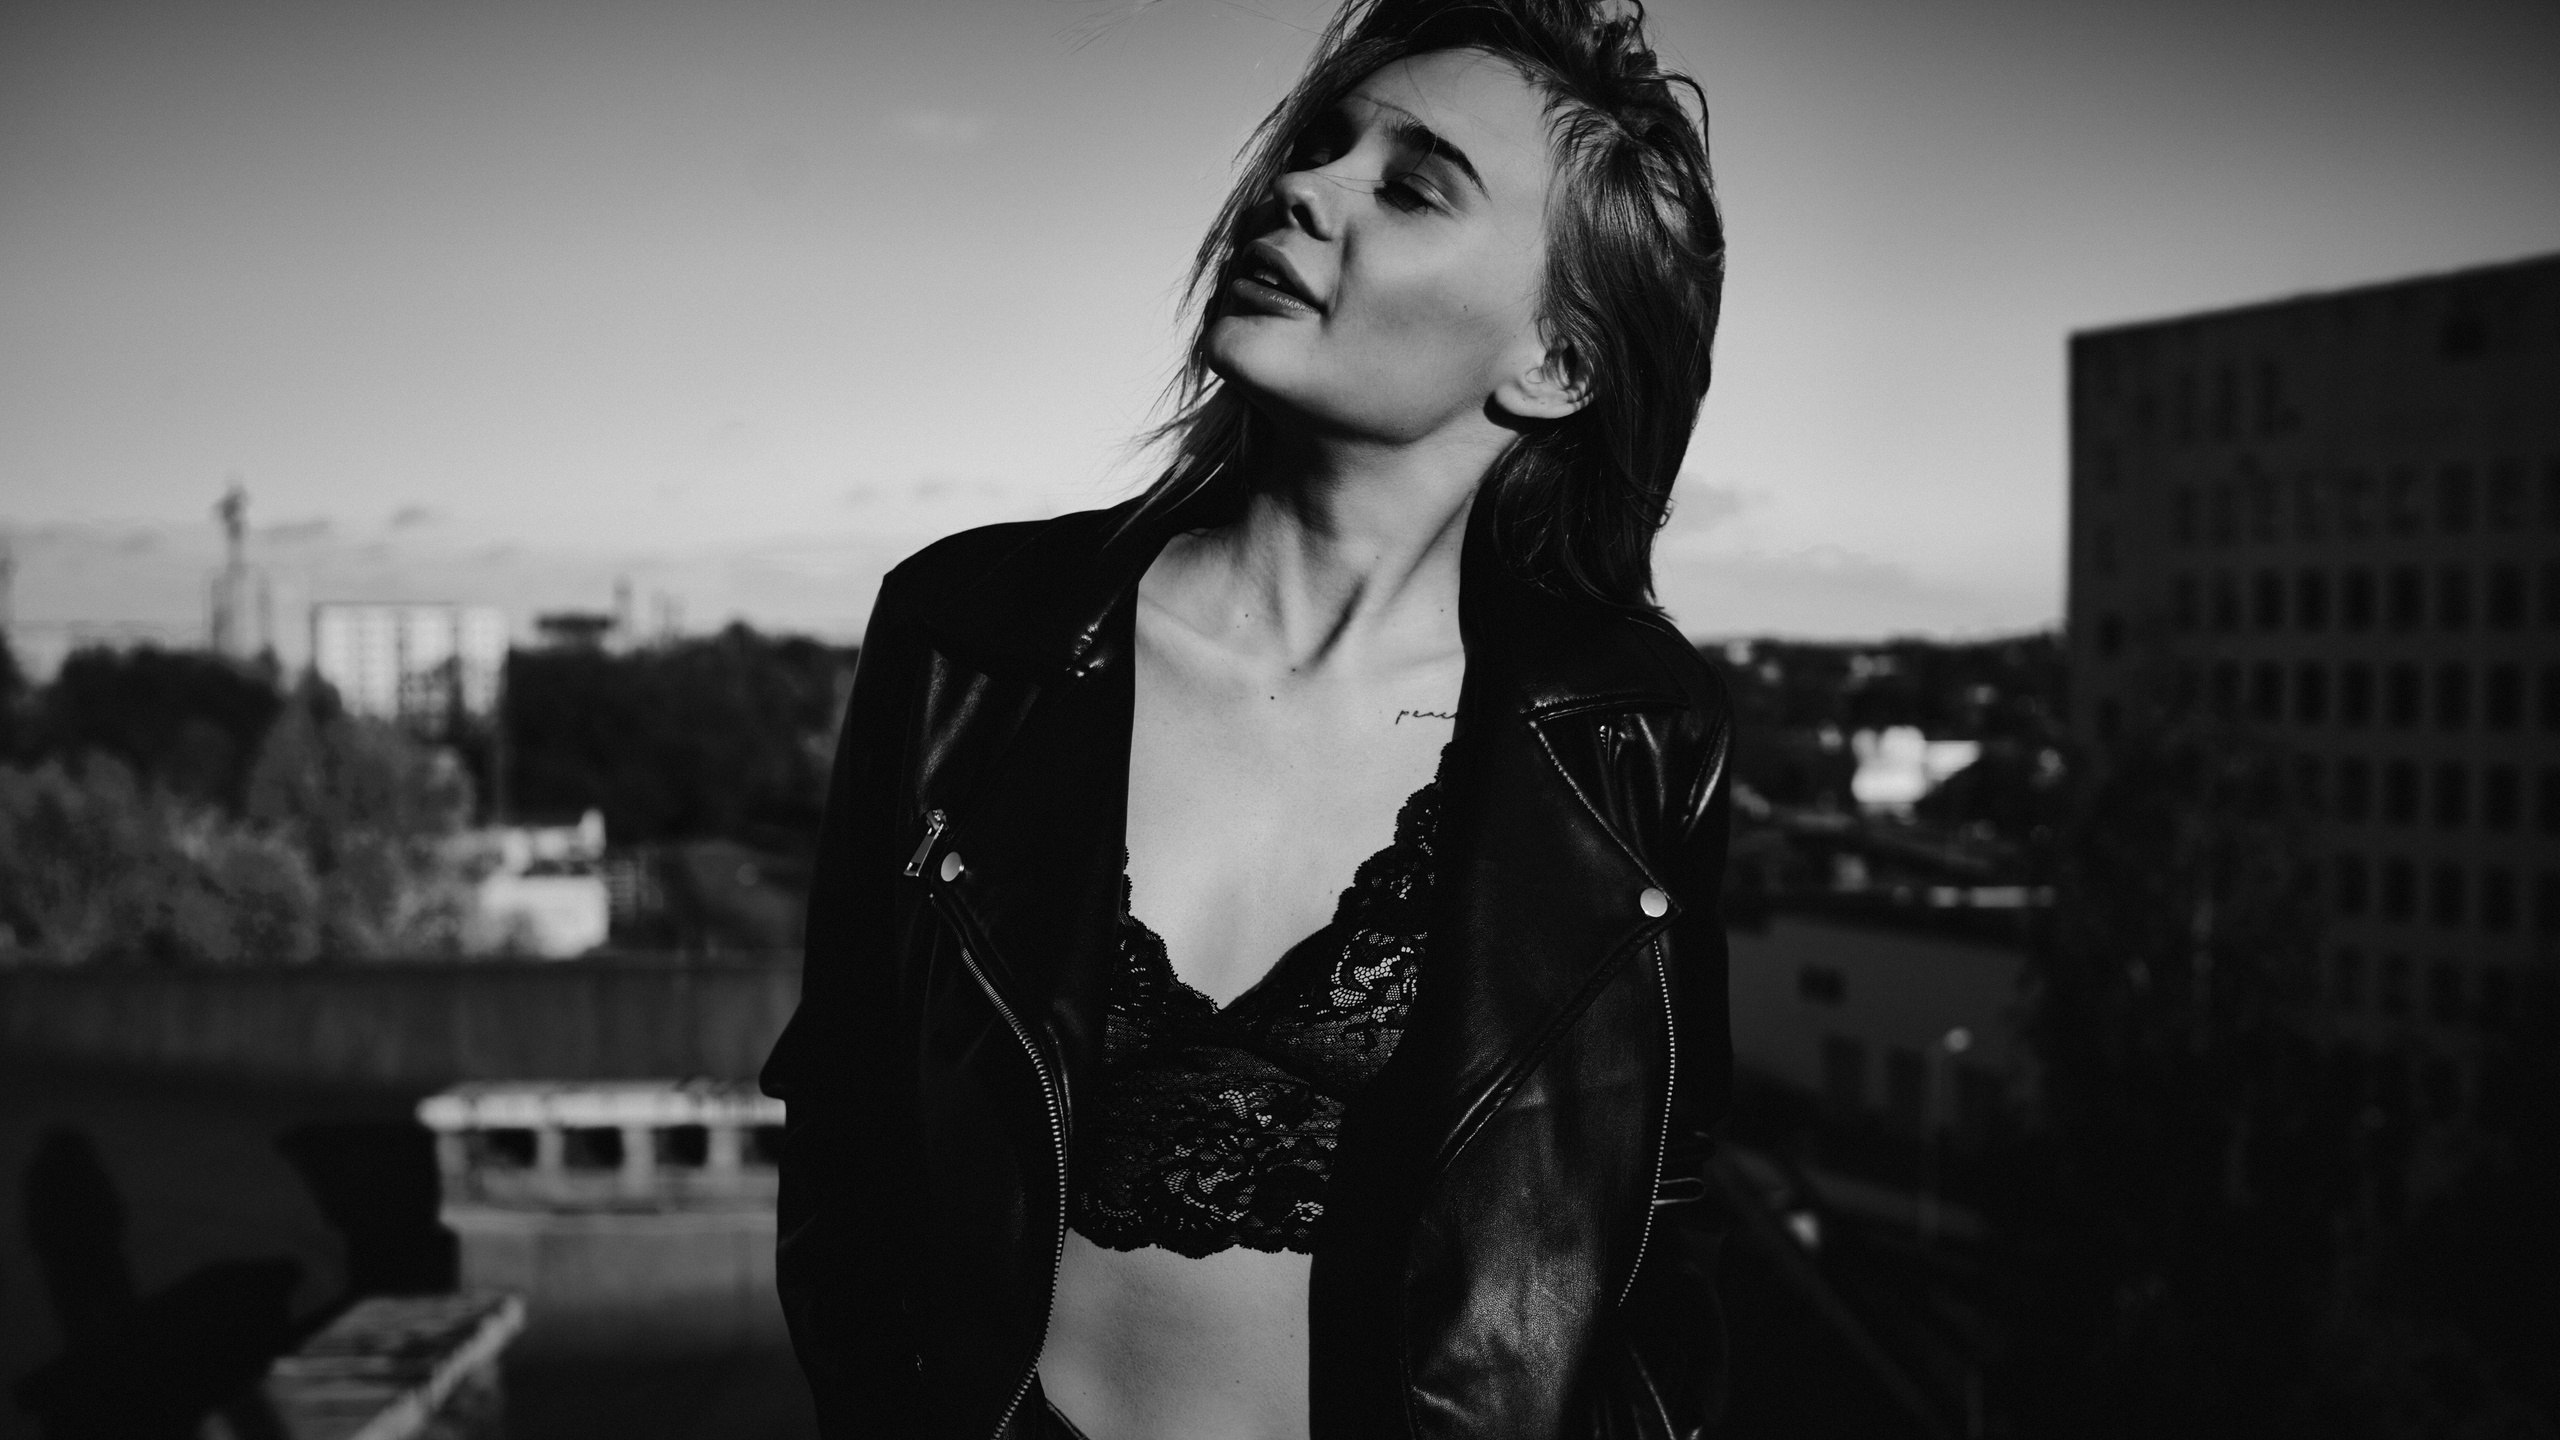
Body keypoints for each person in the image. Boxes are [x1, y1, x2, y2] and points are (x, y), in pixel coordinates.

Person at [760, 0, 1733, 1435]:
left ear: (1557, 364)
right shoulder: (974, 636)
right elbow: (847, 1132)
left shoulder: (1628, 740)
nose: (1301, 186)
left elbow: (1653, 1246)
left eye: (1410, 186)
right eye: (1324, 145)